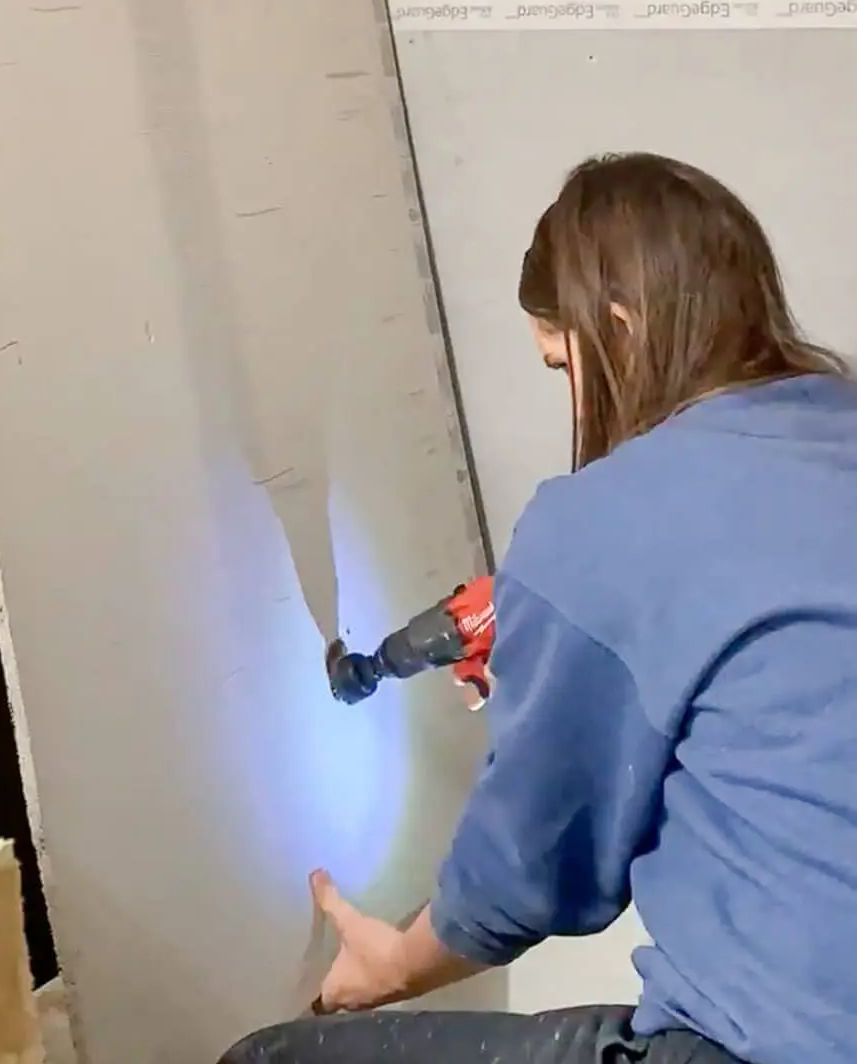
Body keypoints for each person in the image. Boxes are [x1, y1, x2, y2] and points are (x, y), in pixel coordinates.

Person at [219, 152, 857, 1064]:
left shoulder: (607, 518)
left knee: (266, 1061)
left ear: (619, 325)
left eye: (563, 362)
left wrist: (390, 964)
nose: (573, 390)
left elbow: (534, 866)